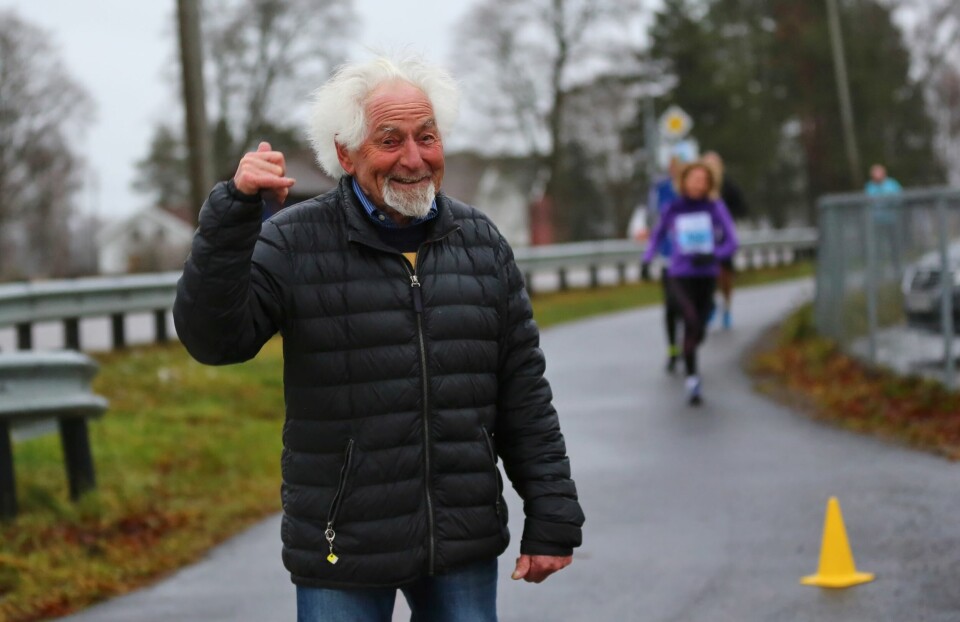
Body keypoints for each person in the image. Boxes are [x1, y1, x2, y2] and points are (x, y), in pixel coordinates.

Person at [173, 55, 585, 622]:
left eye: (427, 137)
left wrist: (552, 514)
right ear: (346, 153)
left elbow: (524, 395)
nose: (414, 159)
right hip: (343, 547)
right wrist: (232, 218)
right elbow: (215, 341)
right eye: (390, 140)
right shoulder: (294, 240)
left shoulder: (481, 242)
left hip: (460, 539)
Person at [641, 161, 738, 405]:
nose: (697, 183)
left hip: (705, 275)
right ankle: (693, 379)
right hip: (679, 274)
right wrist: (646, 259)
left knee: (699, 329)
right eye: (693, 178)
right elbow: (658, 235)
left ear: (709, 184)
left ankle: (687, 352)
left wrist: (714, 254)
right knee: (690, 319)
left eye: (702, 180)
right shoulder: (673, 207)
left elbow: (732, 241)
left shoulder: (715, 207)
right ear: (683, 181)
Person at [701, 151, 747, 330]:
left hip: (723, 239)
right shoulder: (699, 186)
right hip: (705, 238)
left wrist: (726, 218)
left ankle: (727, 307)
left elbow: (742, 207)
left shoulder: (728, 186)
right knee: (706, 275)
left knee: (724, 277)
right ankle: (710, 306)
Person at [647, 156, 683, 373]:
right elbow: (655, 221)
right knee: (671, 306)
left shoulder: (693, 190)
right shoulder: (660, 189)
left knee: (689, 309)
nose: (675, 170)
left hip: (692, 261)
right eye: (672, 166)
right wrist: (649, 256)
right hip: (669, 258)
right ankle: (672, 349)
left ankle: (689, 347)